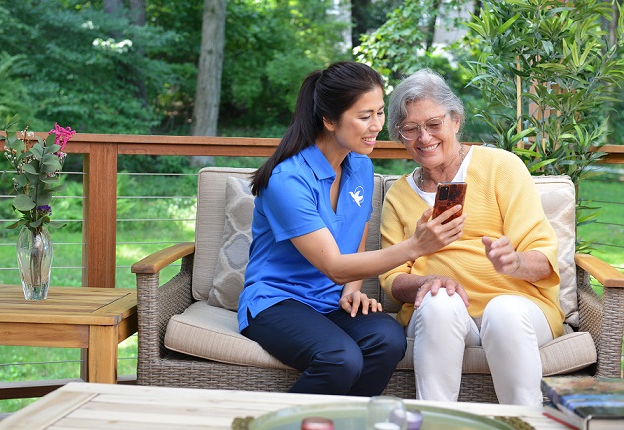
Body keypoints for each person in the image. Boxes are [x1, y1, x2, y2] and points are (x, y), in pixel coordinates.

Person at [237, 61, 465, 396]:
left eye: (379, 112)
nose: (376, 126)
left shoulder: (359, 165)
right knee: (340, 358)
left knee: (388, 339)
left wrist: (352, 291)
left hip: (330, 301)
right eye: (364, 116)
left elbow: (357, 232)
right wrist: (415, 246)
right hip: (276, 302)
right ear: (329, 120)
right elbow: (334, 266)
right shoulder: (287, 181)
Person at [379, 68, 564, 406]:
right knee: (439, 301)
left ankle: (525, 422)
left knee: (504, 311)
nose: (424, 138)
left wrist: (515, 261)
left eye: (434, 124)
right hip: (442, 313)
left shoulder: (500, 166)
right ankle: (436, 423)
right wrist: (426, 282)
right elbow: (392, 280)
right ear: (399, 135)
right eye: (411, 129)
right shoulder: (398, 196)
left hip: (519, 305)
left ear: (456, 121)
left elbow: (544, 260)